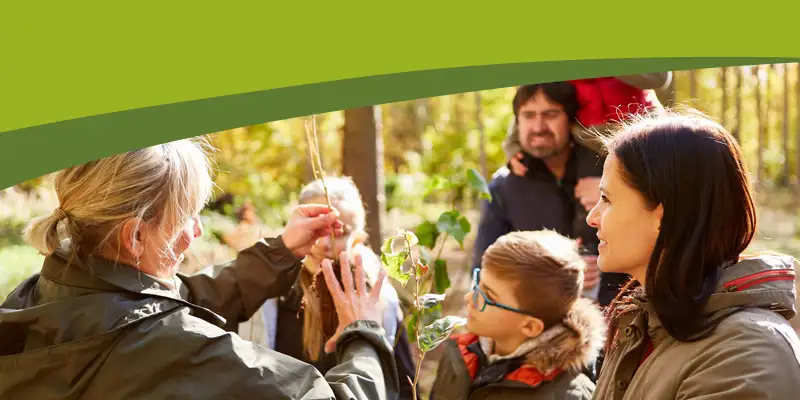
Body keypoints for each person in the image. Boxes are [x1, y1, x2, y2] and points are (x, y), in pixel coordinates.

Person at [0, 139, 399, 400]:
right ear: (135, 237)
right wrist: (363, 332)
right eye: (186, 217)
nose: (198, 230)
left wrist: (279, 252)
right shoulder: (176, 350)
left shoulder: (36, 298)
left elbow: (159, 307)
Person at [587, 109, 800, 399]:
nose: (592, 217)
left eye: (606, 199)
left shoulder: (745, 352)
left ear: (664, 215)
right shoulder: (643, 324)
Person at [498, 73, 672, 307]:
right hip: (588, 140)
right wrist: (513, 148)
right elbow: (528, 102)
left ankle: (643, 292)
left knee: (627, 210)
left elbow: (657, 78)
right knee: (591, 218)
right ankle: (600, 299)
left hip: (637, 141)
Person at [257, 176, 418, 399]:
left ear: (358, 239)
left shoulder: (379, 302)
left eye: (338, 232)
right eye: (316, 229)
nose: (323, 244)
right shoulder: (271, 296)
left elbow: (403, 388)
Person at [471, 82, 606, 306]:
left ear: (571, 119)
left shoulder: (607, 175)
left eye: (550, 114)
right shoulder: (502, 188)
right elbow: (484, 274)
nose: (538, 126)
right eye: (528, 115)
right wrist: (557, 273)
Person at [431, 230, 604, 400]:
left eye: (488, 297)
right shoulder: (459, 354)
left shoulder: (566, 395)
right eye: (478, 283)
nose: (470, 297)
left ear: (530, 326)